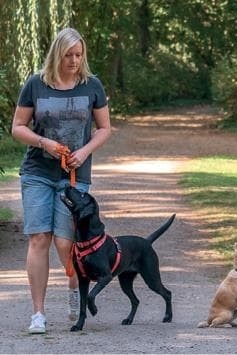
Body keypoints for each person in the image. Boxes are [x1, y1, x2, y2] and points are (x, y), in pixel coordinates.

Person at [12, 27, 111, 334]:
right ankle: (38, 314)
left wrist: (84, 151)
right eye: (68, 55)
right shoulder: (36, 84)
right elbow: (17, 127)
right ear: (57, 54)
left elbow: (105, 129)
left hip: (74, 176)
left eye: (79, 55)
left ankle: (74, 296)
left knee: (67, 244)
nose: (74, 61)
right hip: (37, 173)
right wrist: (44, 143)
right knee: (39, 238)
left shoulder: (92, 85)